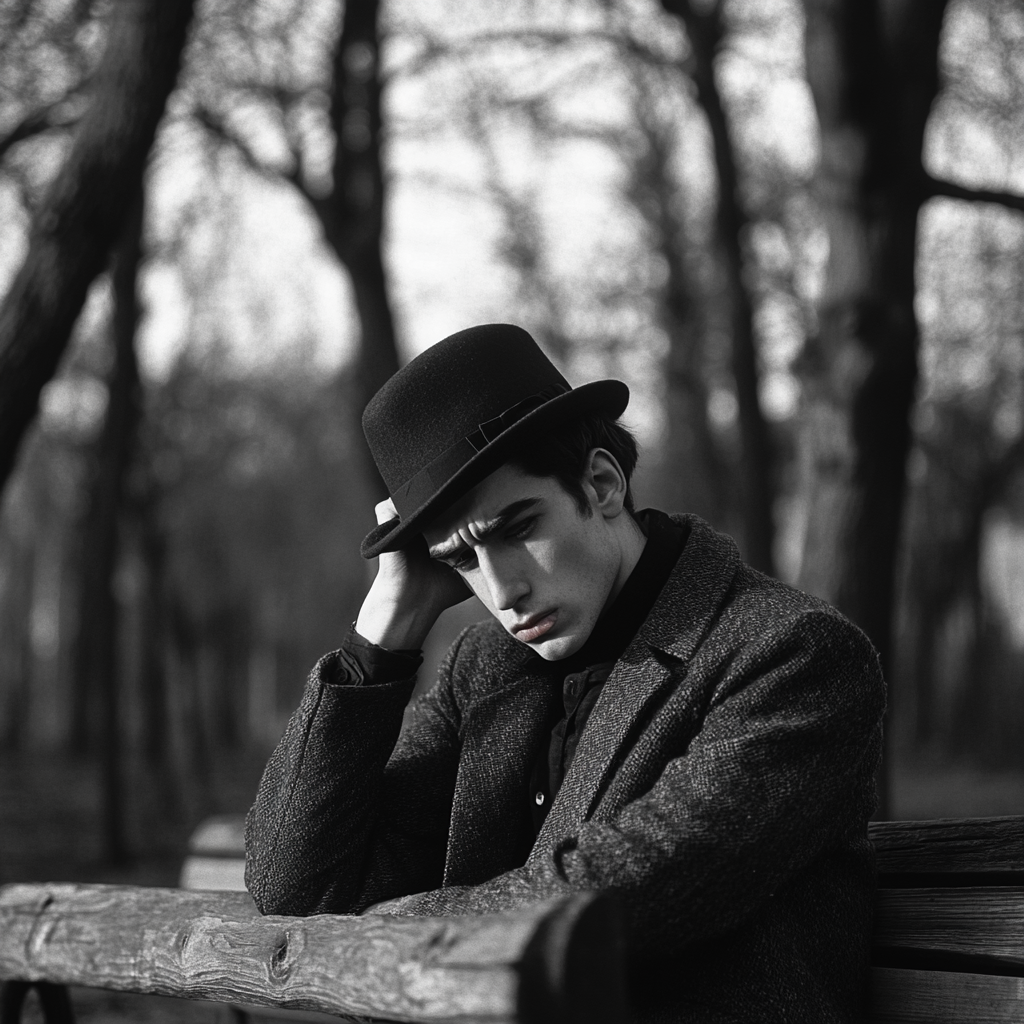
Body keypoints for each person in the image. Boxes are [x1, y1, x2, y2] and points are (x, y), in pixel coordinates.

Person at [245, 323, 886, 1023]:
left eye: (516, 528)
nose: (502, 591)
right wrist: (385, 630)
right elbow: (293, 882)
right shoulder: (484, 670)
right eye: (460, 560)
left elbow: (615, 897)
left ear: (601, 483)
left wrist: (385, 931)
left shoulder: (790, 655)